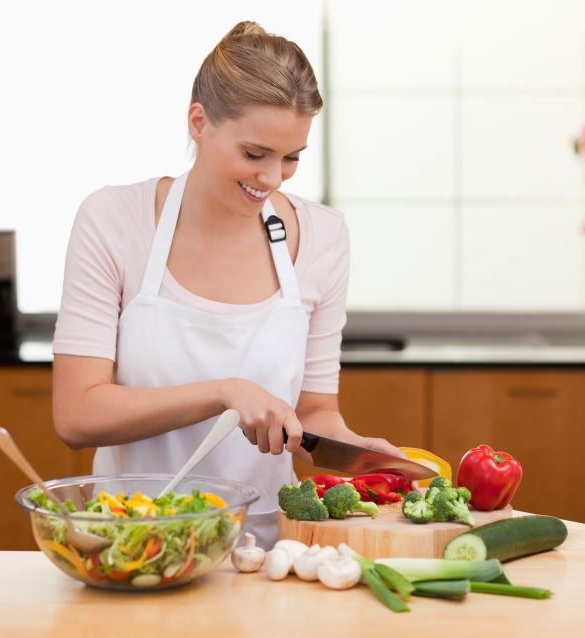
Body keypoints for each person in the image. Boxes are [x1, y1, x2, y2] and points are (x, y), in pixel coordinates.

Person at [51, 20, 403, 546]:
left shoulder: (323, 236)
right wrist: (225, 394)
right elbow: (77, 415)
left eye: (291, 157)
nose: (273, 178)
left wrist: (353, 449)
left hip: (265, 547)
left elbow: (313, 413)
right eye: (255, 154)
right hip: (131, 541)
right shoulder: (113, 220)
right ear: (199, 122)